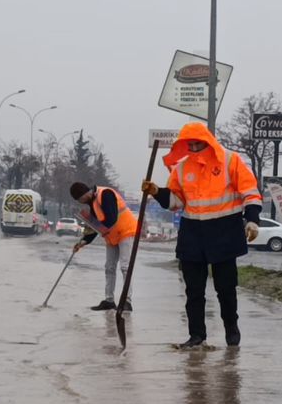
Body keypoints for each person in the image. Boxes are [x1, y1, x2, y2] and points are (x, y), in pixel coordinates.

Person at [142, 122, 262, 349]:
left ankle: (231, 328)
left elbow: (250, 192)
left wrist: (253, 220)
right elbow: (176, 202)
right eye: (191, 144)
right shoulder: (181, 168)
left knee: (225, 288)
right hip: (193, 232)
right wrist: (158, 192)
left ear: (208, 141)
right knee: (193, 290)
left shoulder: (230, 160)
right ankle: (197, 335)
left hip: (224, 231)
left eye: (198, 144)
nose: (195, 148)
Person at [69, 182, 138, 311]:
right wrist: (82, 242)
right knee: (109, 267)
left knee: (125, 266)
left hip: (126, 231)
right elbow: (96, 227)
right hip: (111, 236)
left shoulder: (105, 194)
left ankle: (126, 302)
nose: (82, 202)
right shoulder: (92, 203)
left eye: (81, 199)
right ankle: (109, 301)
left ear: (85, 193)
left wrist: (93, 225)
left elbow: (110, 218)